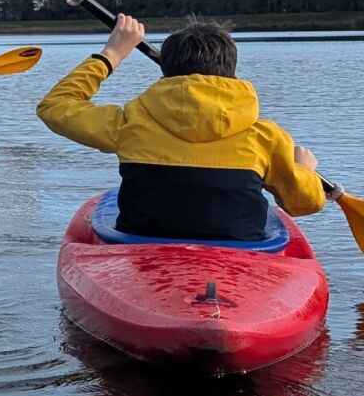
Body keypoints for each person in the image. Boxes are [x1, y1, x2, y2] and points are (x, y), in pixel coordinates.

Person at [35, 14, 323, 240]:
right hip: (238, 256)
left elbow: (55, 106)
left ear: (167, 72)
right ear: (231, 72)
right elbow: (303, 204)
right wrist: (303, 171)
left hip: (143, 251)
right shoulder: (266, 138)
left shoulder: (130, 124)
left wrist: (111, 54)